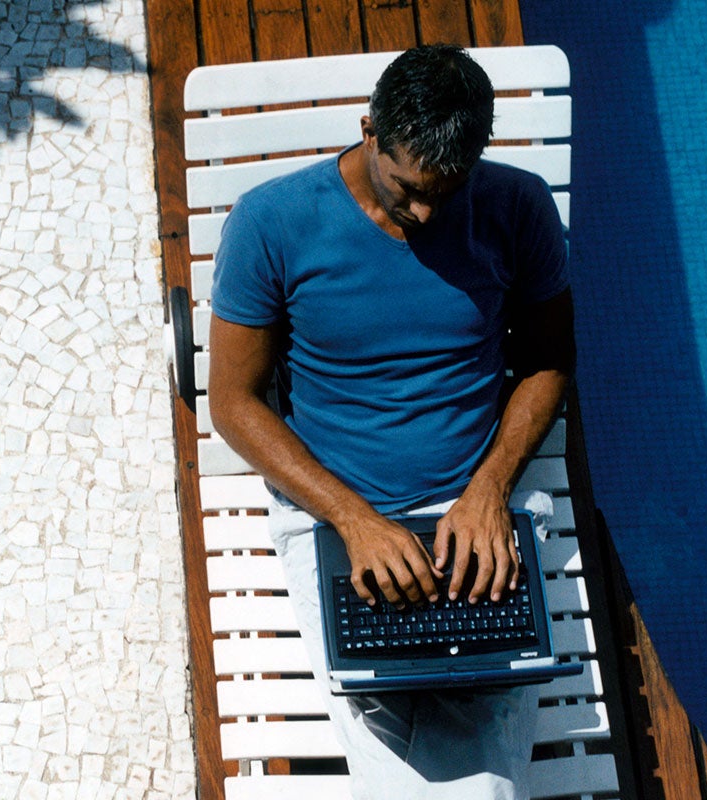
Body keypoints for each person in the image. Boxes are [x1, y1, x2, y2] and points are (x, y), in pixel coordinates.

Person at [206, 44, 576, 799]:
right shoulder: (273, 222)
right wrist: (352, 517)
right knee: (471, 784)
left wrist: (490, 490)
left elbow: (547, 361)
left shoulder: (518, 206)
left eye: (448, 189)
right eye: (409, 188)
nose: (426, 213)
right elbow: (233, 402)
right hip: (338, 521)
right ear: (369, 130)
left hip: (485, 514)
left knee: (472, 731)